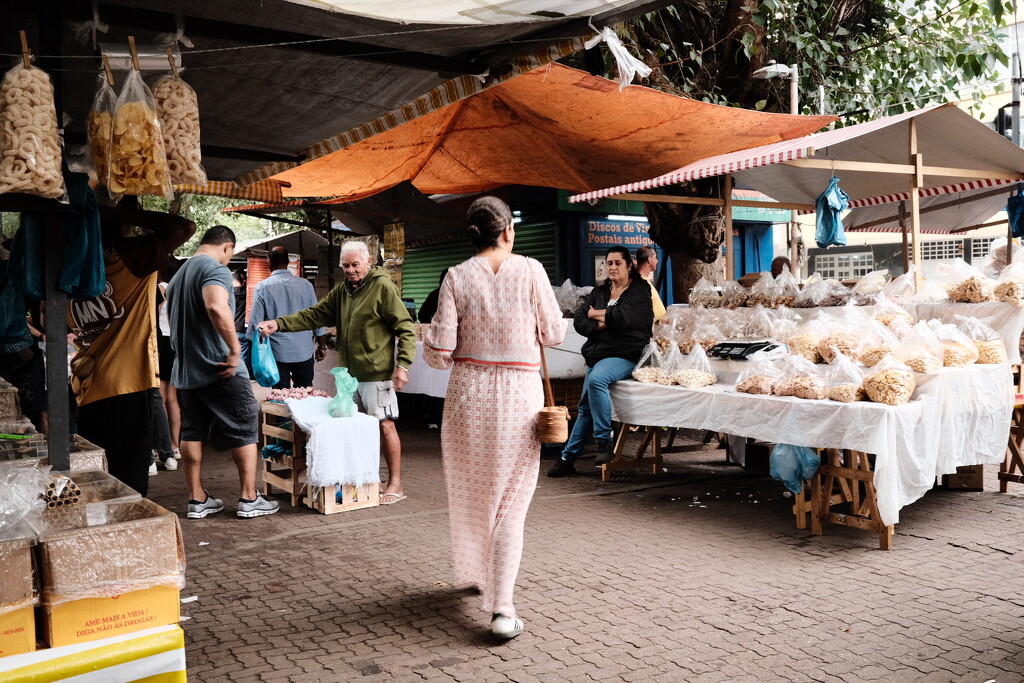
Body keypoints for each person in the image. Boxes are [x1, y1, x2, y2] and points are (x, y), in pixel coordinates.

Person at [424, 196, 565, 640]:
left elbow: (440, 354)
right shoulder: (531, 270)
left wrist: (434, 339)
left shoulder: (455, 276)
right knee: (511, 503)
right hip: (519, 399)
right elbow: (555, 333)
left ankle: (476, 573)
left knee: (473, 491)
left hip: (467, 397)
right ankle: (502, 608)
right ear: (508, 231)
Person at [257, 240, 415, 505]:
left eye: (355, 265)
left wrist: (403, 366)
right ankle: (360, 482)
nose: (350, 270)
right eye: (346, 265)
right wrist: (278, 323)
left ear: (368, 262)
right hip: (349, 377)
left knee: (385, 425)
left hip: (376, 374)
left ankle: (395, 483)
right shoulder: (343, 291)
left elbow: (406, 328)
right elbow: (314, 315)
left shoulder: (383, 287)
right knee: (351, 429)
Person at [68, 201, 195, 497]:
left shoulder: (71, 266)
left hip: (86, 384)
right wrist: (124, 211)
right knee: (129, 480)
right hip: (126, 385)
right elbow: (184, 227)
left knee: (99, 479)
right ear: (123, 224)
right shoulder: (129, 255)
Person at [167, 226, 279, 520]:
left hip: (187, 370)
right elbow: (216, 306)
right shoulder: (215, 269)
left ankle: (197, 499)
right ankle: (249, 498)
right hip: (220, 366)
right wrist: (232, 350)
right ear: (227, 247)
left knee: (192, 431)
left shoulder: (179, 276)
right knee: (244, 426)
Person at [548, 246, 655, 477]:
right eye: (609, 263)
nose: (613, 267)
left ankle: (604, 441)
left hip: (627, 354)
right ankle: (567, 458)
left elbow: (627, 318)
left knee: (597, 380)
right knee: (586, 408)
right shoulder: (599, 292)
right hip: (597, 354)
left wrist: (596, 314)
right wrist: (602, 319)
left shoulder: (640, 290)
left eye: (618, 263)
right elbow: (579, 320)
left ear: (629, 266)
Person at [246, 246, 326, 388]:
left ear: (268, 262)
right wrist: (322, 345)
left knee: (280, 398)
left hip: (277, 354)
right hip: (303, 352)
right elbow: (316, 317)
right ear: (288, 261)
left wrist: (255, 354)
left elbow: (255, 325)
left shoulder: (262, 287)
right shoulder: (306, 285)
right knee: (305, 394)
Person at [635, 245, 666, 319]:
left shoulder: (643, 281)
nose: (657, 261)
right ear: (649, 260)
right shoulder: (639, 284)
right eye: (655, 257)